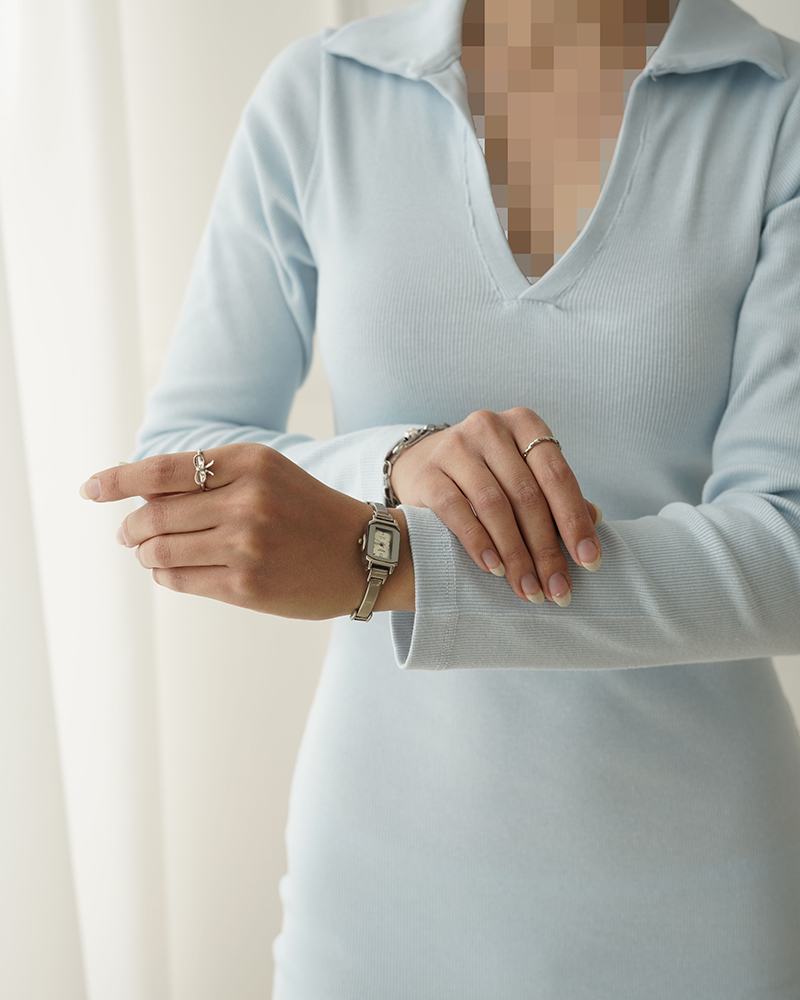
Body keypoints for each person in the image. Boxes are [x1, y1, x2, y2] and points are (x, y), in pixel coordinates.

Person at [79, 0, 800, 995]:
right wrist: (394, 462)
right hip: (372, 900)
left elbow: (786, 547)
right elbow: (177, 458)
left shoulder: (777, 111)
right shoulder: (323, 94)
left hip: (696, 913)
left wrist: (394, 557)